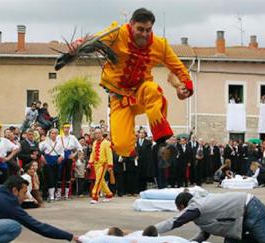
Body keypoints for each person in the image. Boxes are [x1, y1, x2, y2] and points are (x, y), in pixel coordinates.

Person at [69, 8, 193, 157]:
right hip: (119, 98)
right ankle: (131, 163)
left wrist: (185, 88)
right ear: (131, 24)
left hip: (142, 94)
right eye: (140, 29)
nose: (145, 34)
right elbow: (96, 40)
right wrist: (79, 44)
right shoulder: (117, 33)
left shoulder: (160, 45)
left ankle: (161, 142)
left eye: (148, 30)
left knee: (153, 89)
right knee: (122, 147)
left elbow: (179, 68)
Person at [87, 128, 113, 204]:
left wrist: (110, 165)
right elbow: (92, 153)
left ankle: (95, 196)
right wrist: (90, 162)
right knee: (101, 181)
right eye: (96, 133)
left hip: (103, 164)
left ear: (102, 134)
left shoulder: (106, 143)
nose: (97, 135)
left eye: (99, 133)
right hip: (96, 164)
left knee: (98, 180)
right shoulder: (94, 142)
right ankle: (109, 194)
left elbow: (109, 155)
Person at [57, 123, 82, 199]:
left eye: (68, 128)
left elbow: (79, 147)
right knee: (60, 175)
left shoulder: (72, 137)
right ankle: (59, 194)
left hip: (69, 155)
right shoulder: (58, 137)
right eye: (65, 128)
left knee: (68, 175)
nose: (66, 129)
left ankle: (67, 194)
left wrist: (74, 154)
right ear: (62, 128)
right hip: (60, 155)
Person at [39, 128, 64, 202]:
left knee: (56, 177)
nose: (54, 135)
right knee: (49, 178)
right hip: (48, 161)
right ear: (49, 134)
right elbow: (39, 150)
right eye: (52, 133)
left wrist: (61, 157)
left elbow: (62, 152)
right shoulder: (45, 142)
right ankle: (51, 196)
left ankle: (54, 194)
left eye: (55, 133)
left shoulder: (59, 142)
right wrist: (42, 156)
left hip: (56, 161)